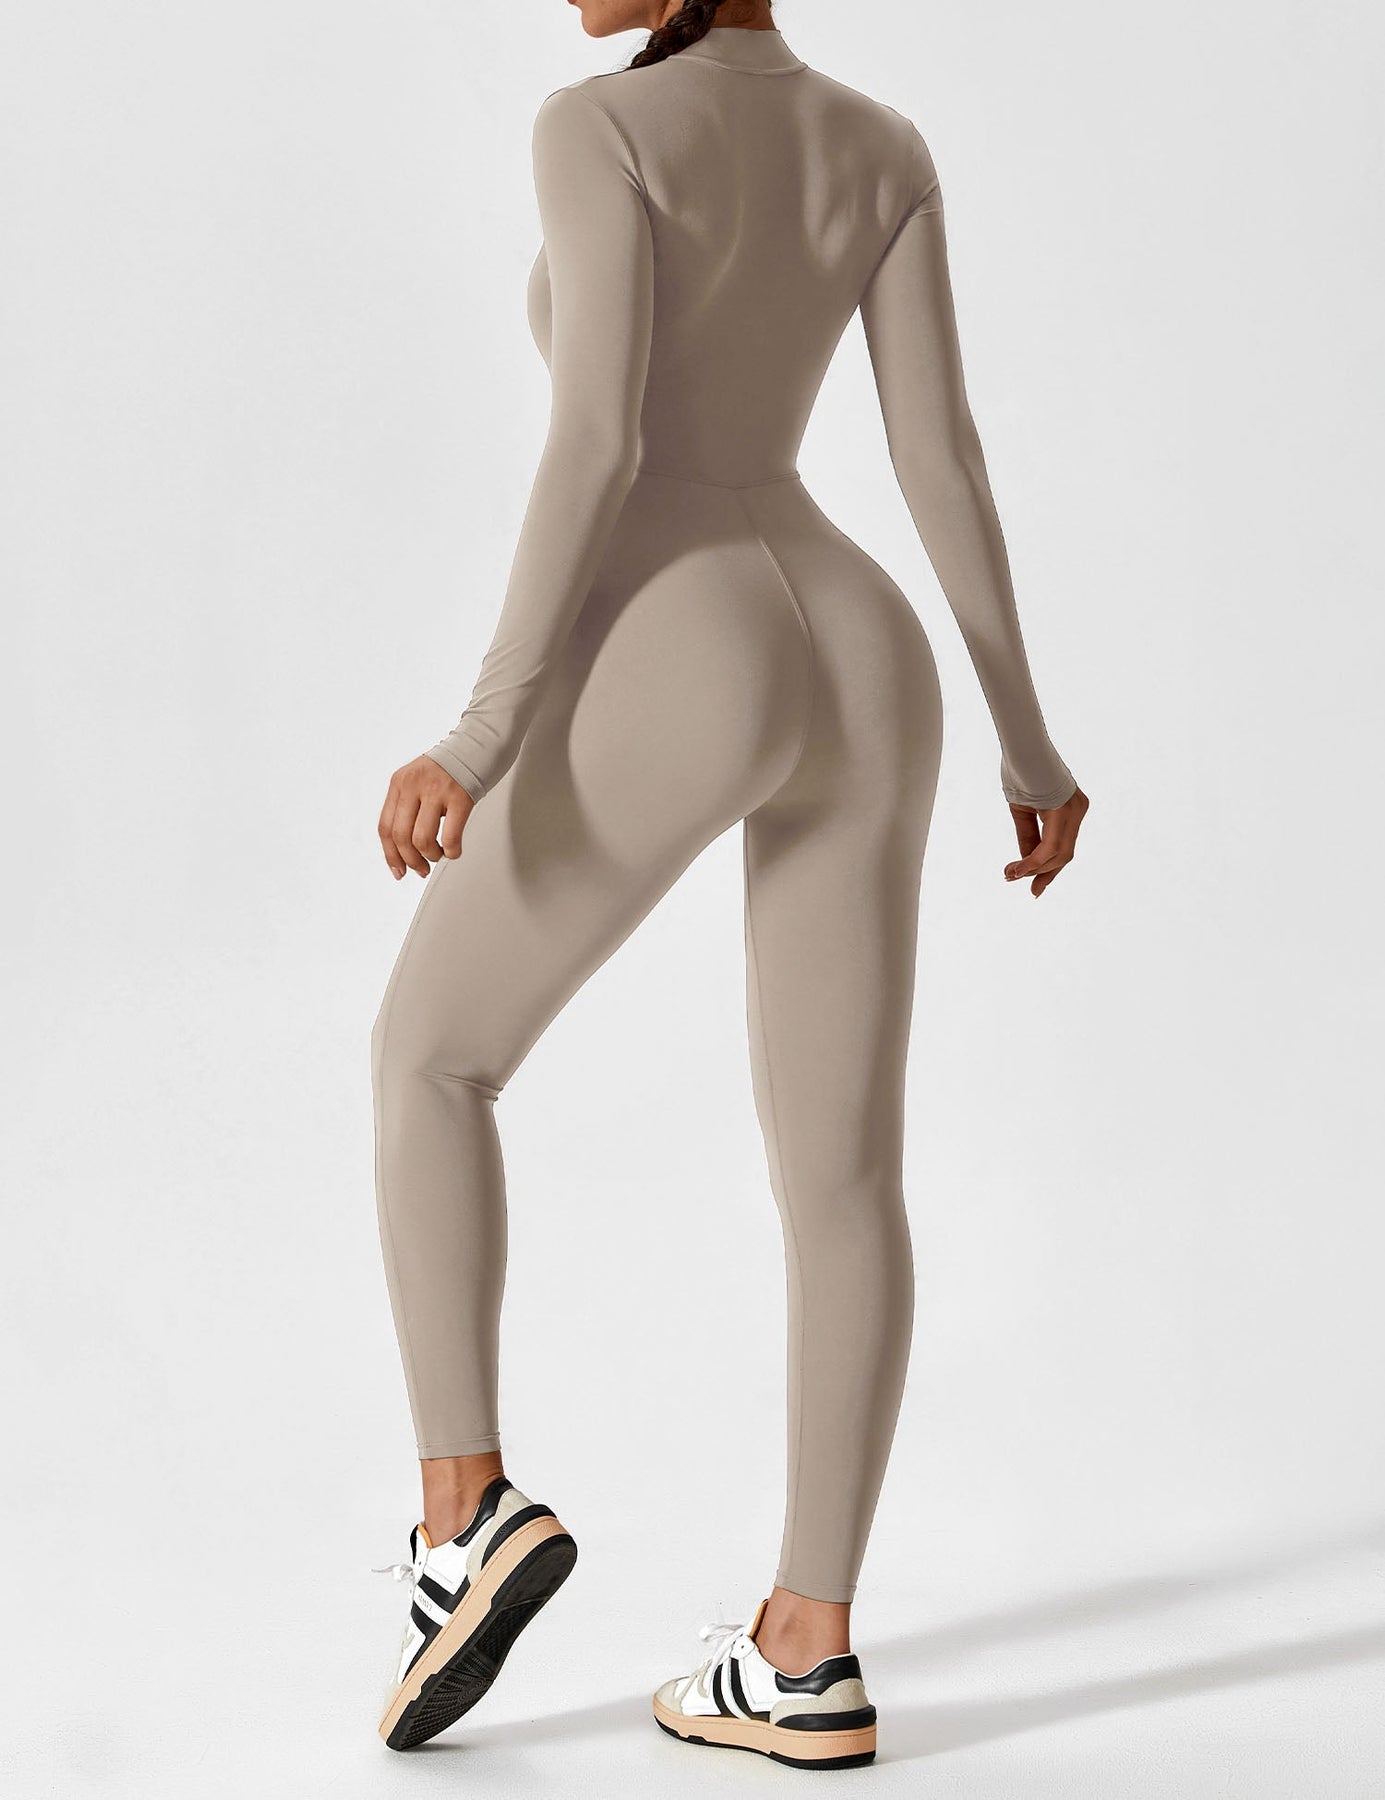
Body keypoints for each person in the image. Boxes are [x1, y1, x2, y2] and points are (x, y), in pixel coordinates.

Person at [369, 0, 1089, 1769]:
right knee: (843, 1178)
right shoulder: (878, 146)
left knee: (427, 1061)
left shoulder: (596, 128)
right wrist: (1025, 743)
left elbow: (599, 445)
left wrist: (478, 733)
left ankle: (464, 1519)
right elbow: (938, 458)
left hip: (686, 636)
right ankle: (805, 1653)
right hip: (865, 651)